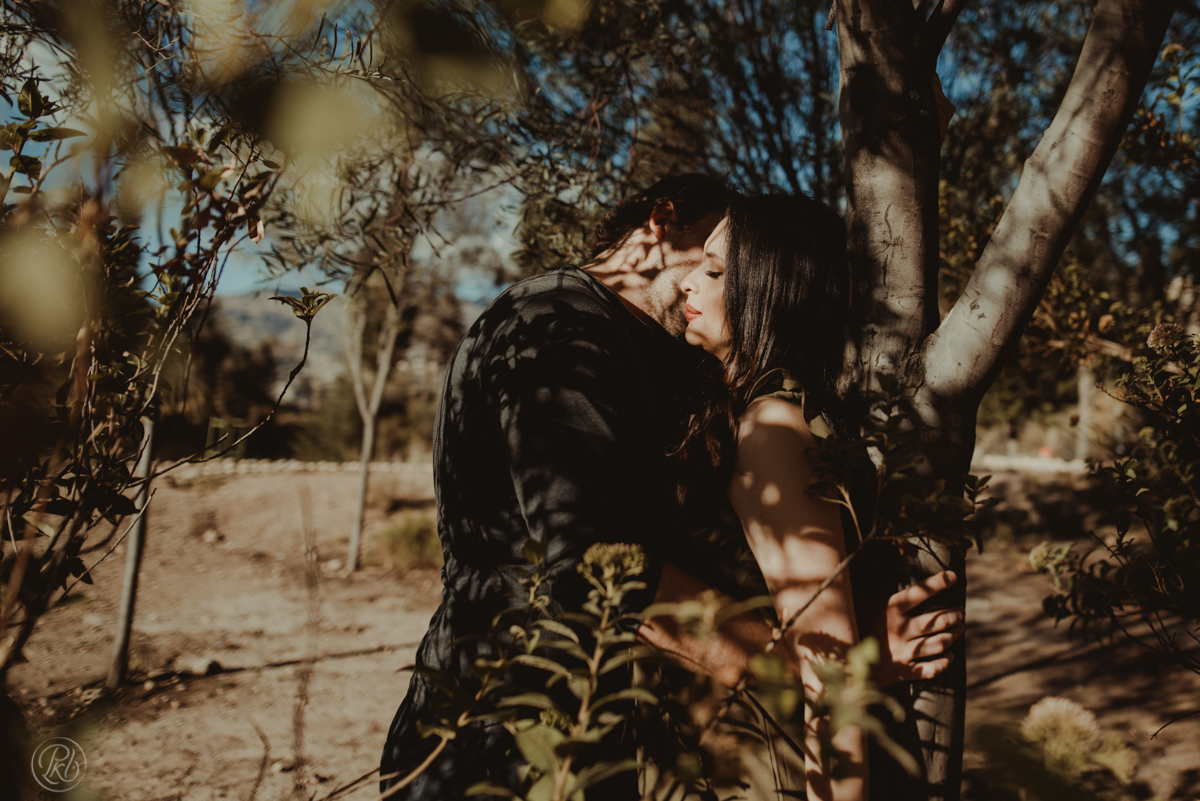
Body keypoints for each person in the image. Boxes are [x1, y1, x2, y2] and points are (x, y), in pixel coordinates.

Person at [380, 176, 962, 800]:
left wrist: (833, 645)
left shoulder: (685, 366)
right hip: (502, 733)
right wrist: (836, 657)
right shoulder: (557, 326)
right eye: (707, 259)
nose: (699, 284)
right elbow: (602, 570)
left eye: (723, 269)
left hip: (590, 739)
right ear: (663, 219)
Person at [665, 192, 903, 800]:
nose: (688, 282)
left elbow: (830, 662)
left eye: (715, 271)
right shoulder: (762, 408)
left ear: (771, 291)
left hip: (772, 771)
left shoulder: (771, 425)